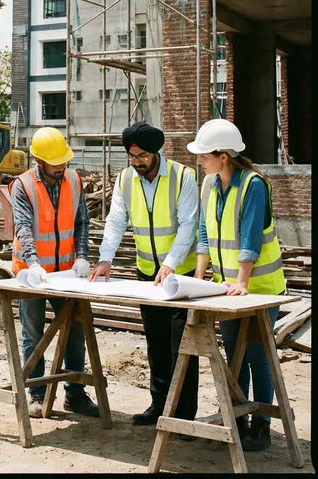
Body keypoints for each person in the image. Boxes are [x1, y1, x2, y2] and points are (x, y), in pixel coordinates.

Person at [88, 121, 200, 435]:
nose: (136, 162)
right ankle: (159, 405)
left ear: (155, 152)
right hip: (146, 274)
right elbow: (115, 221)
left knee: (183, 345)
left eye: (141, 157)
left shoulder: (182, 177)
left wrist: (172, 264)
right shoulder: (125, 180)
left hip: (181, 276)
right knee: (156, 341)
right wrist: (105, 259)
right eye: (131, 157)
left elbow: (189, 225)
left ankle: (183, 415)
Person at [189, 119, 286, 453]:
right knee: (233, 357)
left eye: (204, 155)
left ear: (224, 156)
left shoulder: (253, 185)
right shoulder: (209, 184)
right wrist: (197, 280)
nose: (199, 160)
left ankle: (261, 425)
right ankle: (236, 421)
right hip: (227, 288)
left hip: (260, 287)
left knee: (258, 355)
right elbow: (204, 234)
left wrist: (243, 283)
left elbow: (250, 238)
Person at [11, 127, 99, 420]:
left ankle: (74, 395)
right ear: (39, 161)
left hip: (67, 274)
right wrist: (33, 262)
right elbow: (23, 227)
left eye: (63, 160)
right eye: (55, 162)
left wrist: (83, 257)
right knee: (33, 334)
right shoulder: (22, 185)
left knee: (75, 332)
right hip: (33, 275)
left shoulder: (73, 180)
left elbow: (82, 222)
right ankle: (37, 394)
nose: (61, 166)